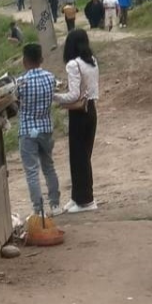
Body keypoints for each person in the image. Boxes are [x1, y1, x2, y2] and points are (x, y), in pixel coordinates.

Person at [13, 43, 62, 218]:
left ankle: (38, 210)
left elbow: (15, 104)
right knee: (49, 167)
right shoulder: (50, 78)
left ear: (24, 61)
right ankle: (55, 205)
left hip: (27, 131)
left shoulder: (21, 82)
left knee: (32, 172)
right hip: (46, 128)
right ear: (41, 59)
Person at [54, 29, 100, 213]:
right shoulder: (92, 61)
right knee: (82, 155)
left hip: (79, 113)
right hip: (91, 109)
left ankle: (86, 201)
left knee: (78, 157)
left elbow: (73, 95)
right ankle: (77, 197)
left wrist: (55, 97)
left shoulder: (73, 64)